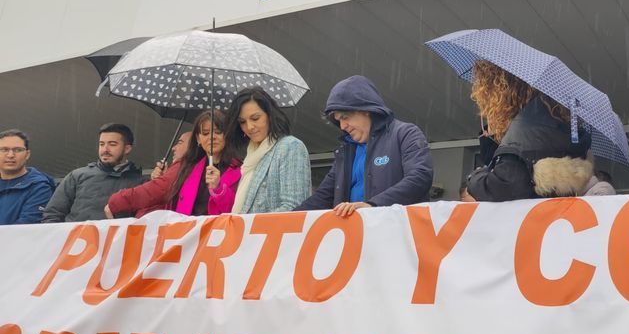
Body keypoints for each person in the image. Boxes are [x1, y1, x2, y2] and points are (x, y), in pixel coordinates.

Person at [296, 75, 433, 216]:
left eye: (345, 117)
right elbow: (323, 196)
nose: (342, 126)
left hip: (396, 232)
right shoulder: (346, 151)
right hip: (354, 234)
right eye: (338, 120)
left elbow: (420, 178)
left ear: (366, 110)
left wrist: (372, 205)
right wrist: (281, 220)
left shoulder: (405, 134)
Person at [464, 61, 593, 202]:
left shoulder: (524, 130)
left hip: (527, 221)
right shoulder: (556, 126)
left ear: (501, 93)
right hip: (554, 219)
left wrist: (476, 177)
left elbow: (506, 185)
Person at [105, 111, 242, 218]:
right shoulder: (186, 166)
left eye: (218, 132)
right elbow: (156, 192)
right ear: (198, 139)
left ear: (227, 135)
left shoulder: (241, 170)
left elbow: (240, 210)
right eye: (205, 133)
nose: (212, 137)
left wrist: (219, 189)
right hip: (186, 238)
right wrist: (117, 202)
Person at [226, 87, 311, 214]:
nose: (249, 127)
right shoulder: (251, 155)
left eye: (255, 118)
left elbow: (294, 206)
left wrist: (253, 226)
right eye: (242, 122)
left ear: (270, 115)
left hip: (274, 232)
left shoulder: (290, 146)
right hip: (246, 231)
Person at [42, 123, 144, 223]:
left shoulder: (141, 184)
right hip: (76, 238)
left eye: (112, 144)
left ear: (127, 148)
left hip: (118, 239)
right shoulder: (77, 176)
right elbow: (52, 214)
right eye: (102, 144)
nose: (105, 149)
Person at [0, 129, 56, 225]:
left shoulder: (39, 187)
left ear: (27, 154)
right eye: (4, 149)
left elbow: (25, 229)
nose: (10, 155)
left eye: (18, 150)